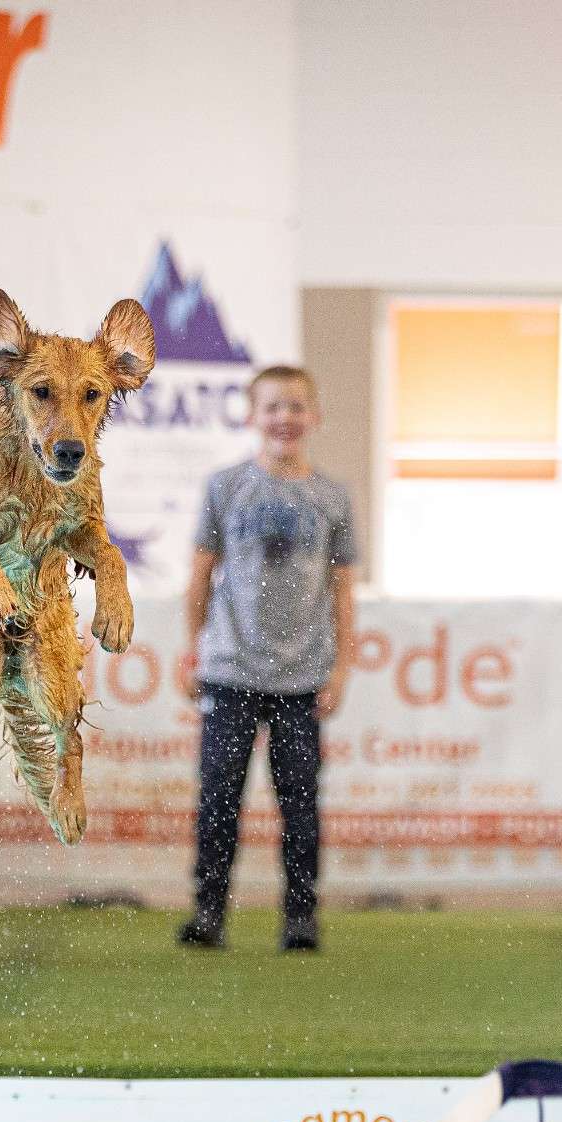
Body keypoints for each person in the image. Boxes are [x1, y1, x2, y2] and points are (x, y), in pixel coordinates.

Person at [176, 365, 357, 953]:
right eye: (273, 407)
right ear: (253, 416)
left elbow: (343, 589)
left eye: (297, 407)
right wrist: (192, 648)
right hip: (230, 671)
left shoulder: (332, 497)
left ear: (315, 417)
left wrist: (340, 667)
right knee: (218, 798)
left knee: (301, 803)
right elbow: (201, 572)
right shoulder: (225, 487)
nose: (285, 418)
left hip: (301, 679)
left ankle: (301, 918)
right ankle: (209, 913)